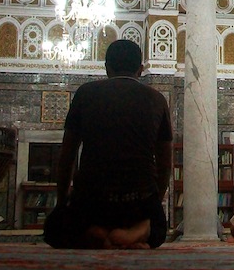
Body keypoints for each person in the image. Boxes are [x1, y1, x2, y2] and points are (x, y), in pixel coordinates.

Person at [44, 39, 173, 249]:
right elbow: (165, 162)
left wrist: (62, 202)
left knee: (55, 230)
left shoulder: (86, 94)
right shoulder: (157, 99)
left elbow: (67, 155)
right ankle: (135, 233)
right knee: (158, 228)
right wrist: (154, 204)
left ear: (107, 68)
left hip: (92, 202)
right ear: (140, 69)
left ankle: (97, 233)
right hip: (138, 202)